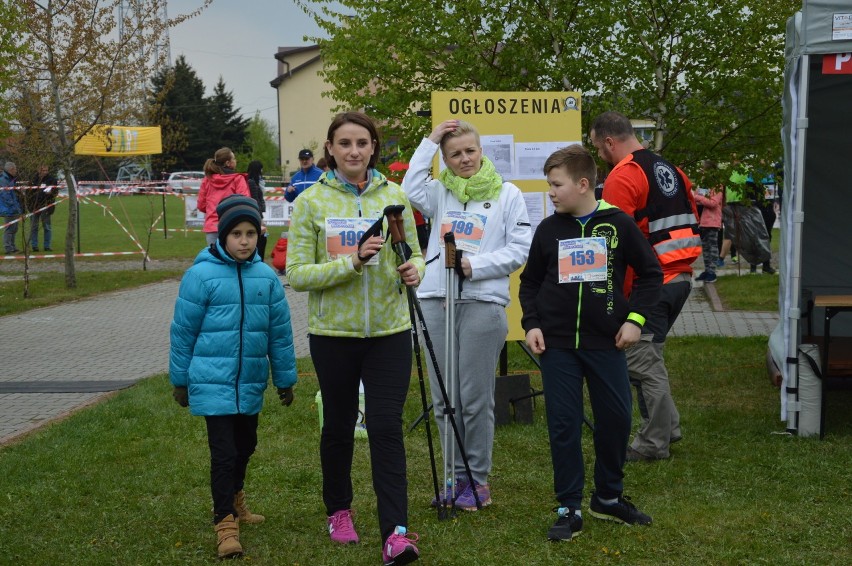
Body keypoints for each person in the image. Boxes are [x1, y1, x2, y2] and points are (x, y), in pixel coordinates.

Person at [286, 111, 424, 566]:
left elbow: (417, 254)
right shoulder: (311, 202)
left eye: (362, 143)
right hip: (333, 335)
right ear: (330, 149)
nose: (353, 151)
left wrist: (413, 270)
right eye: (344, 143)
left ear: (373, 148)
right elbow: (298, 274)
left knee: (386, 427)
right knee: (340, 426)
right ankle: (339, 510)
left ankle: (396, 533)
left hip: (389, 331)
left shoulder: (395, 194)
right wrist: (351, 263)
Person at [519, 144, 661, 540]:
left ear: (583, 184)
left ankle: (608, 498)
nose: (550, 192)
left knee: (615, 418)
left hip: (606, 343)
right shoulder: (549, 229)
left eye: (556, 184)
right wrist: (532, 323)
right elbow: (530, 283)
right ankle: (569, 506)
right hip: (558, 345)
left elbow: (651, 274)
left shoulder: (618, 224)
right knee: (564, 424)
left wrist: (634, 320)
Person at [402, 119, 531, 510]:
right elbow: (409, 187)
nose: (464, 159)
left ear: (481, 151)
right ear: (445, 158)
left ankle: (476, 481)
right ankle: (451, 477)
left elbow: (520, 248)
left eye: (470, 151)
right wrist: (430, 139)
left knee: (474, 399)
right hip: (435, 298)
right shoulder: (439, 192)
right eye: (454, 154)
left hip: (482, 302)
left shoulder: (508, 194)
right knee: (444, 398)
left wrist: (476, 266)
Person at [169, 194, 297, 559]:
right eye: (236, 234)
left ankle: (237, 498)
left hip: (250, 381)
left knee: (246, 446)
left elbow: (279, 332)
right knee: (223, 453)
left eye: (251, 234)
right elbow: (183, 332)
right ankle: (224, 522)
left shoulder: (266, 277)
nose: (244, 240)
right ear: (222, 237)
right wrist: (180, 379)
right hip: (212, 381)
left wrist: (284, 378)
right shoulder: (200, 276)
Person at [590, 111, 700, 462]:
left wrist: (615, 297)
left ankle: (653, 443)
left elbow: (614, 239)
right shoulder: (670, 169)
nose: (600, 157)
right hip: (680, 277)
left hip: (652, 283)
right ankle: (669, 427)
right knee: (649, 355)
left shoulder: (623, 175)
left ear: (609, 141)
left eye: (598, 148)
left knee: (640, 360)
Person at [197, 147, 251, 246]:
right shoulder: (237, 179)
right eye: (233, 158)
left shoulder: (207, 179)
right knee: (233, 259)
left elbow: (201, 205)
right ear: (228, 163)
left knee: (215, 259)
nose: (236, 161)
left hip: (212, 226)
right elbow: (245, 202)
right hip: (232, 225)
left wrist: (212, 210)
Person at [693, 161, 724, 283]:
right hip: (702, 221)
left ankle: (712, 272)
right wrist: (700, 198)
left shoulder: (717, 185)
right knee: (705, 248)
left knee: (712, 247)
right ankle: (707, 270)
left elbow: (713, 203)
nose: (702, 172)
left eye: (704, 170)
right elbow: (696, 198)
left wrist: (699, 198)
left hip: (712, 220)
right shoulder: (703, 184)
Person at [27, 165, 59, 252]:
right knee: (34, 227)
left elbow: (56, 192)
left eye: (46, 170)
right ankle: (34, 246)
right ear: (38, 170)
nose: (45, 172)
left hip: (46, 206)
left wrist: (51, 193)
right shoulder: (33, 179)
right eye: (43, 170)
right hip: (34, 206)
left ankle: (47, 246)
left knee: (47, 227)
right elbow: (28, 193)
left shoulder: (52, 179)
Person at [246, 160, 269, 260]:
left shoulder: (254, 182)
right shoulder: (252, 183)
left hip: (257, 214)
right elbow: (255, 200)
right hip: (256, 215)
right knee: (261, 239)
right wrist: (260, 218)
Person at [0, 162, 21, 254]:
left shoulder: (10, 179)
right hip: (8, 209)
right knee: (9, 229)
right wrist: (12, 205)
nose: (16, 171)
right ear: (10, 170)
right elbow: (5, 195)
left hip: (14, 208)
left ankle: (12, 246)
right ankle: (8, 247)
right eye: (15, 169)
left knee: (14, 229)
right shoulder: (4, 180)